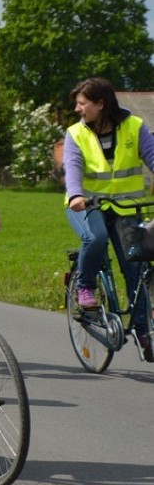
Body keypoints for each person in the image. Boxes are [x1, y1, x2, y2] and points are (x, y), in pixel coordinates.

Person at [64, 77, 154, 362]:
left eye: (82, 103)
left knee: (135, 268)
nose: (78, 109)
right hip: (86, 205)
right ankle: (85, 287)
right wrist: (76, 195)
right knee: (96, 238)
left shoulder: (135, 127)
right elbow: (74, 168)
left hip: (127, 208)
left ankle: (143, 332)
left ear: (101, 104)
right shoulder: (75, 133)